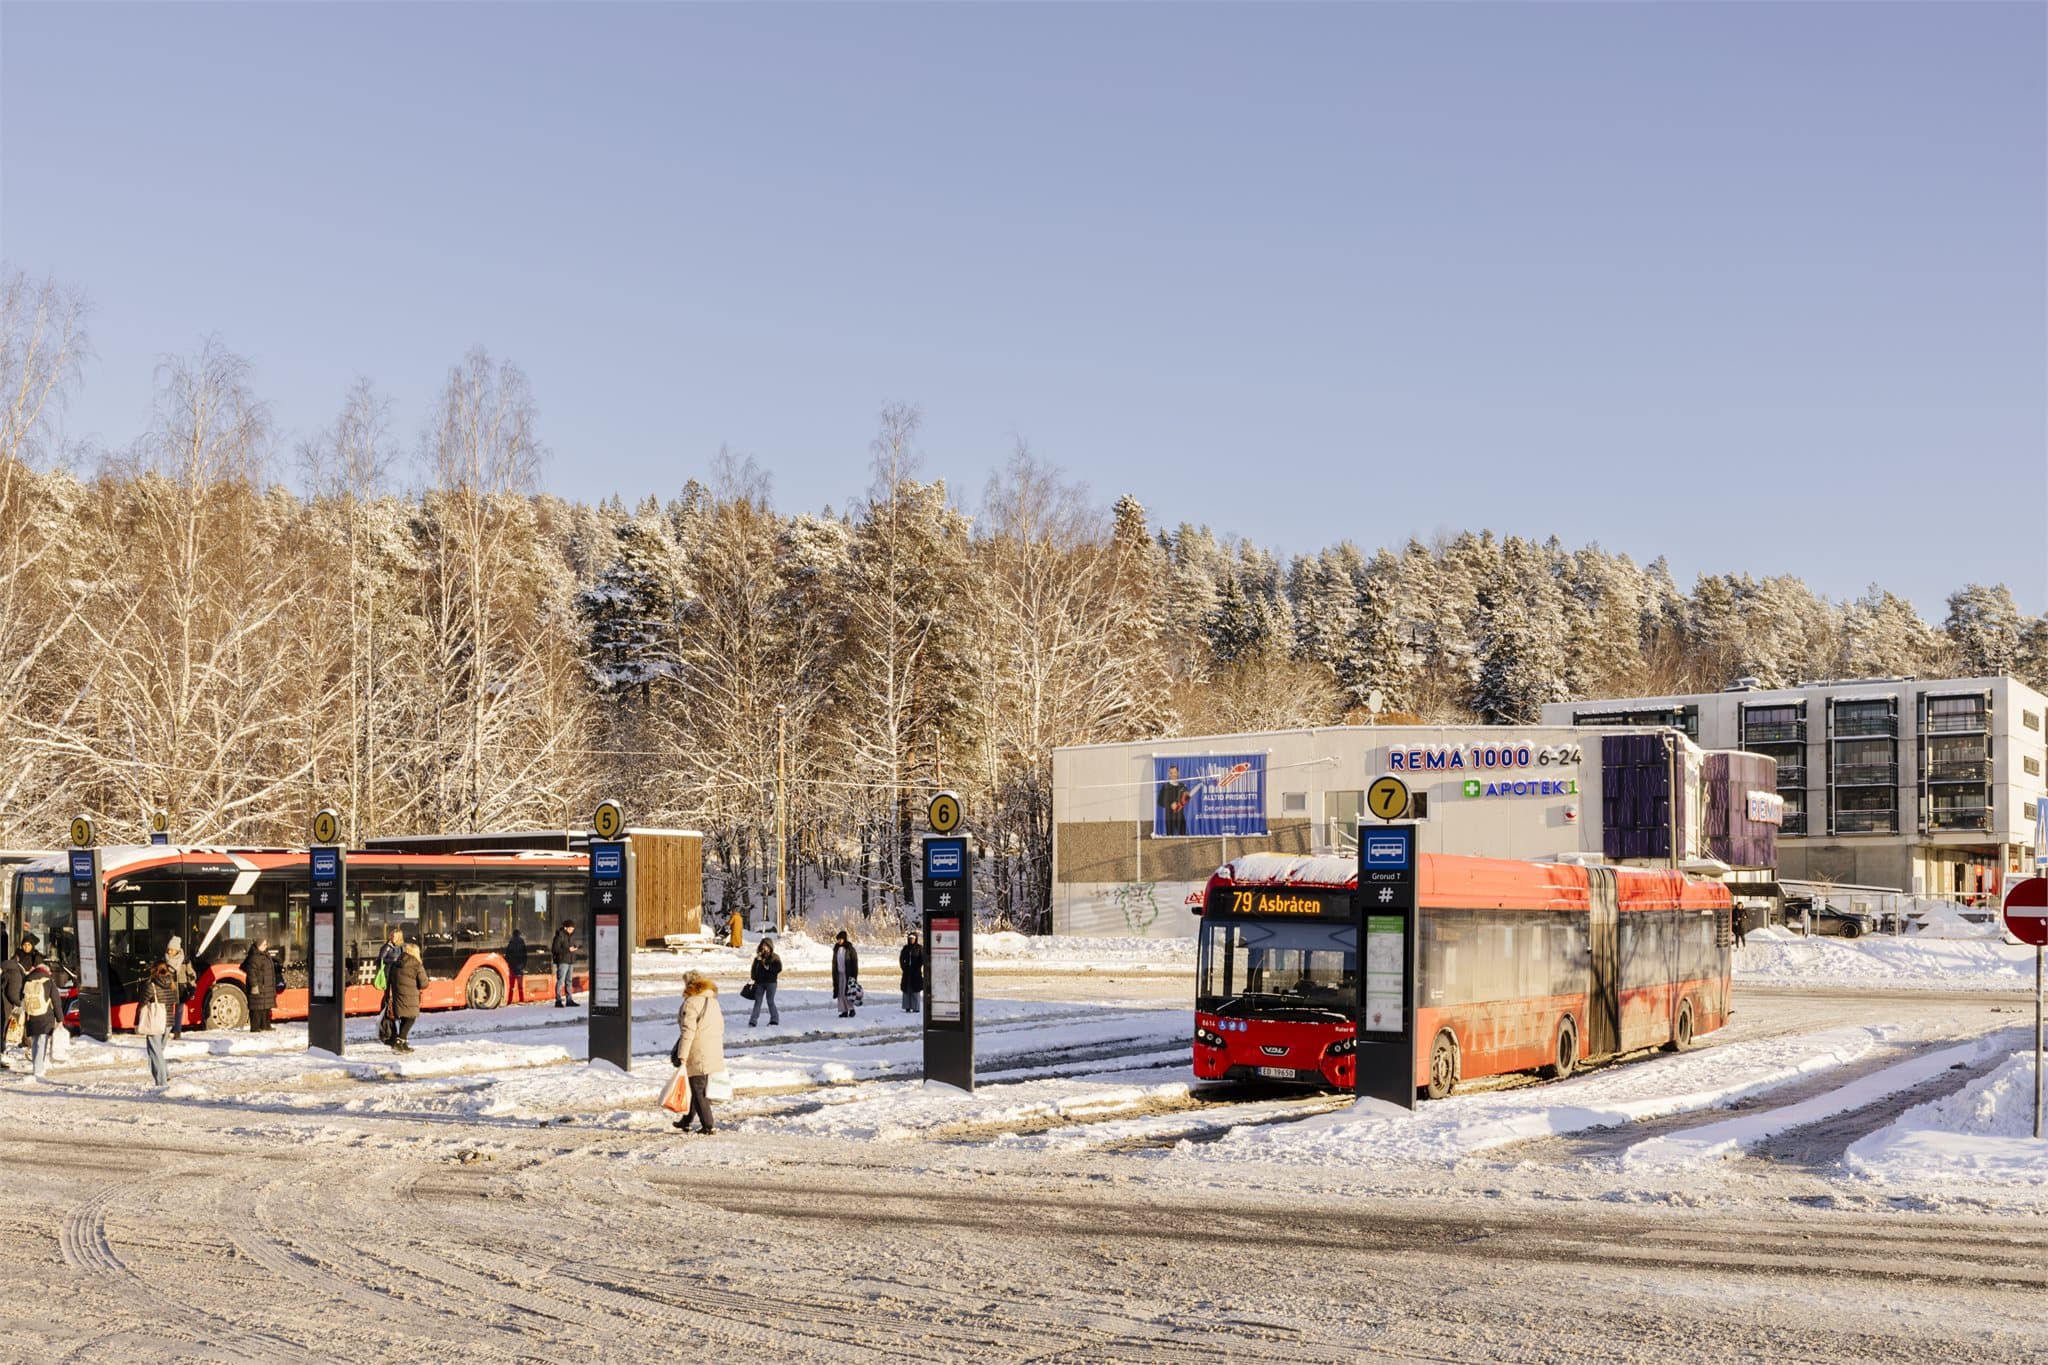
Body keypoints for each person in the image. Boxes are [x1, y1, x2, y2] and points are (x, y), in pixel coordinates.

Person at [672, 970, 725, 1134]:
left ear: (689, 985)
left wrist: (682, 1055)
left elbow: (688, 1031)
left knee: (697, 1089)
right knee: (695, 1087)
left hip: (698, 1051)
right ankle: (687, 1120)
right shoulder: (713, 1001)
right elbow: (721, 1026)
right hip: (712, 1049)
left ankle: (708, 1125)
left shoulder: (691, 1003)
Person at [139, 960, 178, 1087]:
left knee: (155, 1052)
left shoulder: (151, 986)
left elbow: (143, 1002)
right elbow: (174, 1001)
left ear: (154, 970)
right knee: (158, 1051)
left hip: (155, 1021)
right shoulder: (172, 984)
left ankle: (162, 1082)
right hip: (168, 1022)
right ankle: (165, 1075)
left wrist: (136, 1021)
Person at [21, 957, 59, 1079]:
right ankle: (38, 1069)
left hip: (31, 1015)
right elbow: (56, 1001)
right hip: (45, 1015)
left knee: (35, 1041)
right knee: (42, 1041)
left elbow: (19, 996)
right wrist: (60, 1018)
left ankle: (37, 1066)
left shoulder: (27, 979)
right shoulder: (49, 981)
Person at [387, 941, 426, 1053]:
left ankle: (403, 1043)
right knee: (411, 1018)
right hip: (411, 997)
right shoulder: (417, 965)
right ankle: (399, 1042)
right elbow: (424, 984)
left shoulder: (396, 964)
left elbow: (391, 979)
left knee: (404, 1018)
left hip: (398, 996)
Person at [240, 937, 279, 1032]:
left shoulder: (265, 954)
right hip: (258, 986)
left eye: (266, 944)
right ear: (258, 946)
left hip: (266, 986)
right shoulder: (253, 957)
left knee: (266, 1008)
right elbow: (251, 973)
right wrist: (254, 986)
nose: (266, 946)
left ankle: (265, 1025)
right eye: (264, 945)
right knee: (256, 1008)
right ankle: (255, 1027)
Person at [165, 936, 195, 1037]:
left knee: (179, 1011)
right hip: (168, 989)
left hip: (181, 989)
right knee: (167, 1011)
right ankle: (167, 1031)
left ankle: (177, 1031)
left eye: (172, 949)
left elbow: (191, 974)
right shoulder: (164, 960)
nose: (169, 952)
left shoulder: (185, 960)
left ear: (177, 950)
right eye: (168, 949)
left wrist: (192, 987)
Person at [748, 937, 782, 1027]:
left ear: (770, 947)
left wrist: (769, 968)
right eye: (763, 945)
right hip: (760, 983)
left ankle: (774, 1019)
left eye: (766, 946)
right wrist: (753, 977)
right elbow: (754, 968)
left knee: (770, 1001)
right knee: (758, 1001)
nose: (764, 948)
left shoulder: (775, 957)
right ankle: (753, 1020)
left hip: (771, 983)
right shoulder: (758, 957)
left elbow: (779, 968)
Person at [831, 930, 859, 1018]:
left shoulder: (850, 949)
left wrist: (854, 976)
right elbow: (834, 962)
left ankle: (851, 1009)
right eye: (838, 939)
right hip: (839, 974)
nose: (839, 941)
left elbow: (854, 963)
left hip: (848, 974)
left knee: (847, 992)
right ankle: (844, 1011)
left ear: (844, 939)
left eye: (841, 939)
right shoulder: (836, 949)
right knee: (840, 993)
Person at [1157, 764, 1191, 836]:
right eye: (1171, 773)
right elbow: (1159, 802)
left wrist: (1187, 796)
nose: (1173, 775)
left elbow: (1186, 800)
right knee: (1170, 837)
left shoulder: (1182, 786)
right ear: (1169, 774)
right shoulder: (1165, 786)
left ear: (1178, 773)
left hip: (1180, 817)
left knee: (1183, 837)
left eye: (1175, 772)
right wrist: (1170, 805)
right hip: (1169, 818)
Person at [551, 920, 578, 1007]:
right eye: (570, 929)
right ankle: (558, 1001)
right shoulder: (559, 936)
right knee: (561, 981)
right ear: (565, 927)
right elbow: (555, 949)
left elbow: (572, 946)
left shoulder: (572, 936)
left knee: (569, 981)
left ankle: (569, 1000)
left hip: (570, 961)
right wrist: (568, 950)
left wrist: (575, 948)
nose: (572, 930)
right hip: (562, 961)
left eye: (573, 929)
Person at [899, 929, 925, 1014]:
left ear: (916, 939)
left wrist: (918, 967)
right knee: (907, 989)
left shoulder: (919, 948)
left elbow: (922, 959)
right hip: (907, 972)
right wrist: (904, 967)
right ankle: (907, 1007)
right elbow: (901, 959)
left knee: (915, 990)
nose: (911, 940)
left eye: (913, 938)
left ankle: (915, 1007)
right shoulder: (905, 948)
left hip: (916, 972)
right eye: (910, 938)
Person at [506, 928, 529, 1004]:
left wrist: (509, 965)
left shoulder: (511, 942)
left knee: (511, 986)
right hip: (520, 966)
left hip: (512, 967)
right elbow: (525, 955)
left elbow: (507, 955)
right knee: (520, 986)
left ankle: (509, 1000)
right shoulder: (522, 942)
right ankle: (521, 999)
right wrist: (523, 965)